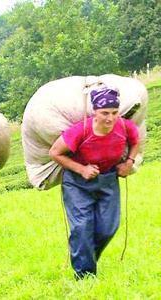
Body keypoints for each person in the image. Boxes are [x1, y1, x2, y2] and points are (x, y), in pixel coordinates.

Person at [49, 86, 140, 280]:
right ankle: (84, 278)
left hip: (108, 179)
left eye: (114, 113)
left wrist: (129, 162)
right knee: (81, 228)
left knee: (109, 228)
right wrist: (81, 169)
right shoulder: (81, 130)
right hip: (77, 183)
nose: (110, 118)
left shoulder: (124, 126)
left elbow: (135, 141)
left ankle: (86, 258)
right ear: (95, 112)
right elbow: (54, 153)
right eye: (104, 113)